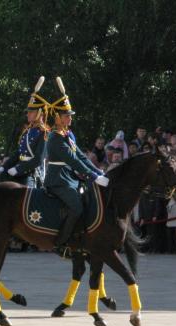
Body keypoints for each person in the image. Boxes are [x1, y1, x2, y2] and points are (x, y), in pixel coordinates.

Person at [44, 77, 109, 254]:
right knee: (76, 207)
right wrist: (94, 176)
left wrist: (98, 171)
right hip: (57, 180)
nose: (70, 119)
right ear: (57, 117)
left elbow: (80, 155)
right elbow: (73, 161)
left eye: (70, 116)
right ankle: (61, 243)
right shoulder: (55, 137)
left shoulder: (68, 135)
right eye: (66, 116)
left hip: (69, 178)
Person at [0, 76, 48, 187]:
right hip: (19, 169)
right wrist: (5, 166)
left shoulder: (44, 133)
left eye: (31, 112)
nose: (27, 114)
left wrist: (18, 169)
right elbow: (18, 152)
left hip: (30, 174)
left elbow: (38, 160)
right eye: (28, 112)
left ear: (39, 114)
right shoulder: (27, 131)